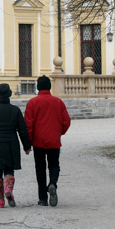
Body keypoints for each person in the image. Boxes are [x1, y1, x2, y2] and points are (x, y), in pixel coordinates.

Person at [24, 75, 71, 207]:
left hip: (38, 141)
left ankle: (43, 198)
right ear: (50, 87)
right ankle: (53, 184)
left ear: (38, 87)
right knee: (54, 165)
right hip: (54, 140)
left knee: (40, 168)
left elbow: (28, 124)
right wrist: (59, 132)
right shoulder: (58, 102)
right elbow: (66, 121)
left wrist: (28, 142)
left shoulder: (32, 103)